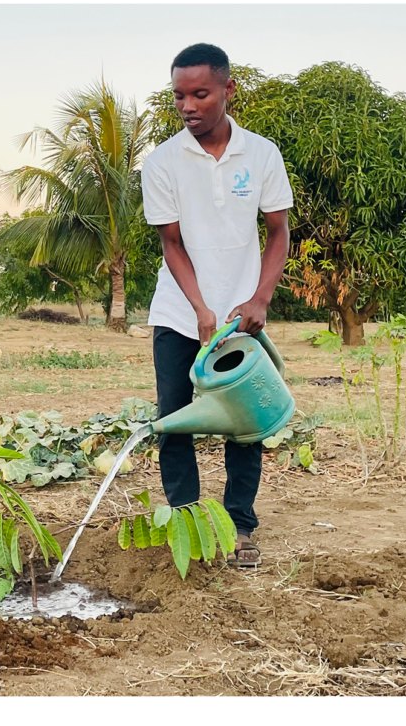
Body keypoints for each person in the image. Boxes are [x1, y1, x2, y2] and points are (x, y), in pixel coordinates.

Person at [139, 42, 293, 569]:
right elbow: (172, 244)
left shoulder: (262, 154)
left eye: (200, 94)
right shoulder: (161, 162)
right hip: (180, 315)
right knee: (176, 420)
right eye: (179, 95)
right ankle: (188, 526)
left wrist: (259, 298)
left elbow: (278, 233)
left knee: (245, 422)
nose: (188, 105)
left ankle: (240, 527)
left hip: (242, 320)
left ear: (227, 90)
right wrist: (201, 308)